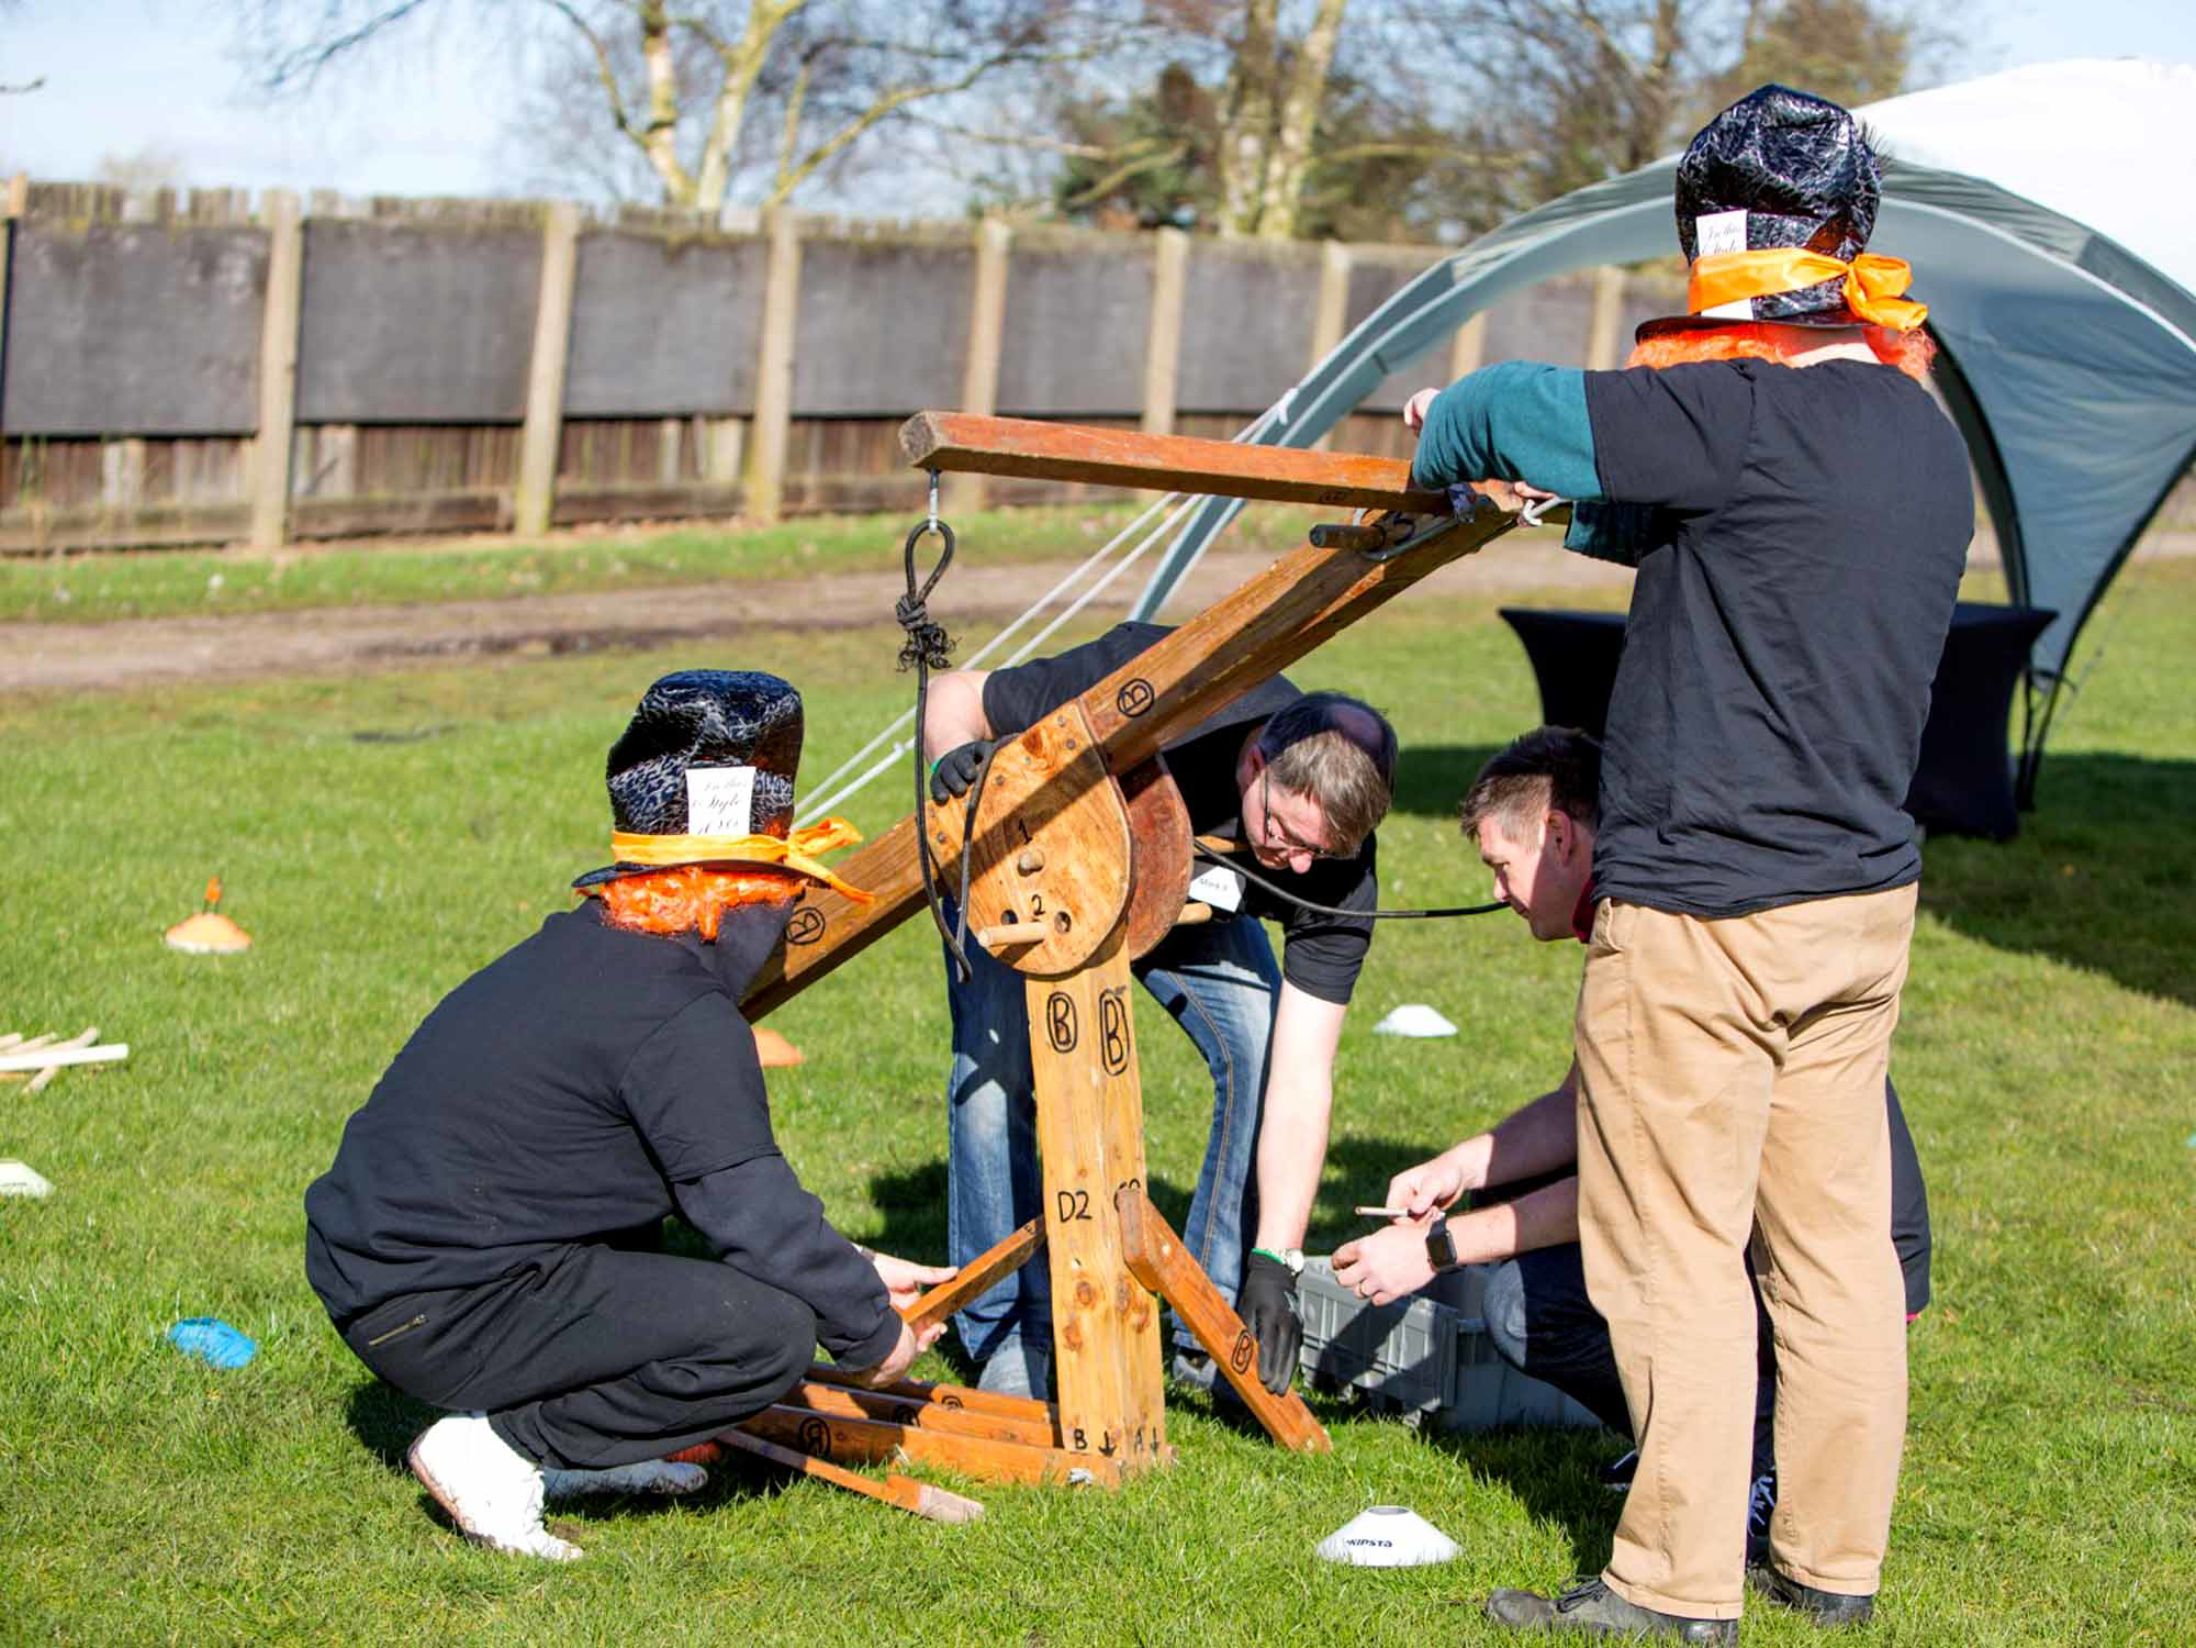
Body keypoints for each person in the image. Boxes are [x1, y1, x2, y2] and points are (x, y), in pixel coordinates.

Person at [1402, 86, 1972, 1638]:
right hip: (1858, 909)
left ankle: (1670, 1585)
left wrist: (1439, 429)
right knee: (1834, 1257)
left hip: (1709, 912)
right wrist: (1576, 511)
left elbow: (1500, 405)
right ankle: (1832, 1565)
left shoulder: (1741, 410)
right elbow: (1725, 537)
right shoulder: (1916, 435)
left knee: (1673, 1257)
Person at [305, 670, 953, 1561]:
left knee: (697, 1265)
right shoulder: (680, 1016)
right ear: (744, 899)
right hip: (434, 1306)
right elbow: (746, 1203)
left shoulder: (586, 950)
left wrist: (852, 1268)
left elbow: (708, 1182)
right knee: (764, 1335)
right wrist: (872, 1336)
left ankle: (575, 1445)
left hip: (382, 1267)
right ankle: (500, 1448)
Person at [1334, 727, 1933, 1566]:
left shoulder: (1661, 929)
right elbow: (1582, 1105)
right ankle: (1697, 1446)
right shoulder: (1638, 902)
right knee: (1521, 1247)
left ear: (1560, 837)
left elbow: (1626, 1186)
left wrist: (1435, 1249)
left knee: (1528, 1305)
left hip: (1831, 1269)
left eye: (1500, 867)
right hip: (1793, 1238)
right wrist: (1459, 1166)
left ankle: (1752, 1460)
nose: (1498, 893)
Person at [922, 620, 1398, 1398]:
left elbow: (1303, 1074)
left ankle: (1214, 1323)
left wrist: (1278, 1261)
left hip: (1177, 896)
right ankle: (1007, 1328)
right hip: (1031, 868)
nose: (1297, 866)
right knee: (996, 1073)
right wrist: (951, 757)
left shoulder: (1336, 870)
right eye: (1283, 835)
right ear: (1256, 763)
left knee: (1259, 1046)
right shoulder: (1150, 686)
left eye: (1320, 852)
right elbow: (954, 694)